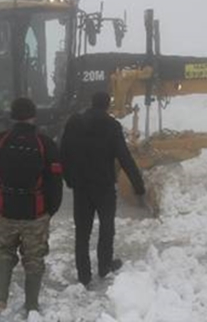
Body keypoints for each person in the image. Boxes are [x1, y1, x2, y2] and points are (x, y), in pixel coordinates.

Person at [0, 97, 63, 314]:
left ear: (12, 116)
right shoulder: (45, 144)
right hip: (35, 212)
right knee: (34, 259)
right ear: (33, 116)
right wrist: (50, 210)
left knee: (4, 252)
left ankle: (1, 299)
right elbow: (55, 181)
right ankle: (32, 305)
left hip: (4, 209)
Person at [60, 91, 145, 287]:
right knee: (107, 227)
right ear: (107, 105)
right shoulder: (112, 126)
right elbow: (124, 157)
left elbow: (63, 152)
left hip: (81, 186)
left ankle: (84, 275)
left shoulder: (75, 122)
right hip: (104, 187)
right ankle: (104, 266)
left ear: (91, 102)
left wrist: (69, 179)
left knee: (82, 232)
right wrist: (138, 185)